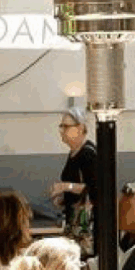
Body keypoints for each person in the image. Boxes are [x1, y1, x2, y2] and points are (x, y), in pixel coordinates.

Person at [51, 109, 98, 254]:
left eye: (66, 126)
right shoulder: (73, 153)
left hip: (86, 224)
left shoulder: (88, 153)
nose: (61, 131)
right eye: (61, 126)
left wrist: (66, 186)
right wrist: (63, 198)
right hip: (73, 220)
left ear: (80, 128)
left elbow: (95, 188)